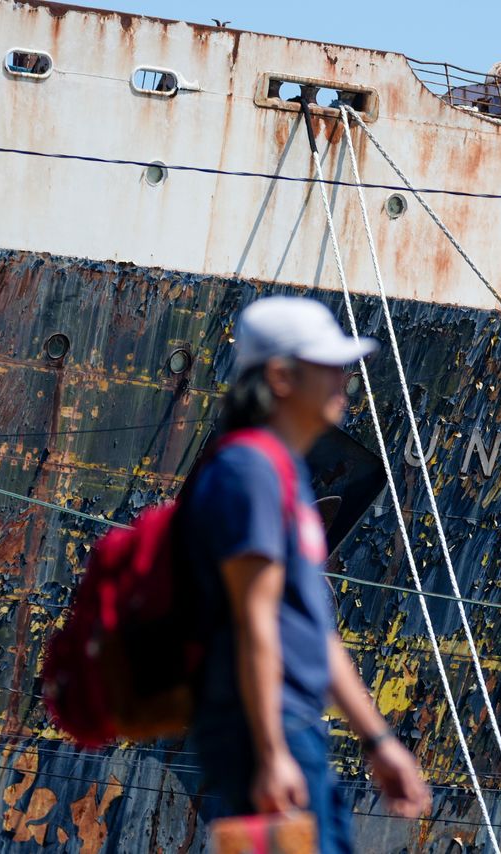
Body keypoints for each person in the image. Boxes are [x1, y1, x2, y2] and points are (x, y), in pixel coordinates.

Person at [184, 296, 429, 853]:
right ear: (280, 376)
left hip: (296, 727)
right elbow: (254, 620)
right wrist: (270, 753)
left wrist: (378, 740)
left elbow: (314, 630)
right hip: (269, 730)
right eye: (329, 365)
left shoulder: (284, 475)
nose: (345, 378)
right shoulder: (248, 471)